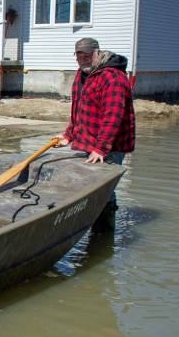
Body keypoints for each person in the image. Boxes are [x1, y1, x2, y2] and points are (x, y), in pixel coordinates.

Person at [56, 37, 135, 229]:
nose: (83, 59)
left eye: (87, 55)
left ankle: (103, 234)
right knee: (89, 185)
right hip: (88, 142)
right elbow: (79, 109)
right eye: (79, 55)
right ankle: (93, 228)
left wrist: (101, 149)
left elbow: (113, 116)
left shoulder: (113, 77)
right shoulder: (82, 74)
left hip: (110, 146)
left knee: (102, 188)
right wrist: (69, 134)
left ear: (97, 53)